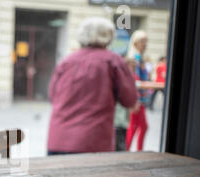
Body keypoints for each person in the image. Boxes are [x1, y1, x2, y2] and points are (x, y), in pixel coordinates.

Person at [47, 17, 139, 155]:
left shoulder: (66, 61)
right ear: (108, 36)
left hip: (59, 140)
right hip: (93, 143)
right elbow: (130, 99)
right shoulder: (113, 61)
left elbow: (52, 95)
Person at [126, 30, 150, 151]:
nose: (145, 44)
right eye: (142, 41)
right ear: (136, 42)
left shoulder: (139, 57)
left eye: (146, 41)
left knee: (135, 126)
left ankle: (128, 150)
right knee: (141, 126)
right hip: (137, 98)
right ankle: (136, 150)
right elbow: (135, 79)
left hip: (139, 97)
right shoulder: (136, 57)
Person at [115, 58, 138, 151]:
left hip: (122, 122)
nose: (131, 70)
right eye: (130, 68)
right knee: (119, 147)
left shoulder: (126, 80)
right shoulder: (122, 80)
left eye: (133, 68)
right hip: (118, 122)